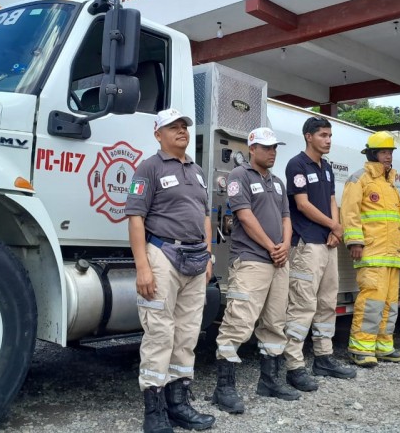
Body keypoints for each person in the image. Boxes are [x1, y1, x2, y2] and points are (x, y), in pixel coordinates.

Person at [126, 108, 216, 433]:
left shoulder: (198, 171)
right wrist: (142, 267)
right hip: (162, 253)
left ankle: (179, 405)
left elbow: (206, 215)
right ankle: (154, 412)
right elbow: (135, 217)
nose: (181, 130)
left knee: (188, 334)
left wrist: (208, 255)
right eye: (172, 127)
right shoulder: (148, 168)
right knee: (160, 333)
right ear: (158, 134)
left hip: (195, 257)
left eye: (184, 126)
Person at [210, 127, 300, 413]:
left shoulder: (278, 182)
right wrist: (271, 246)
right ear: (252, 149)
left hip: (279, 261)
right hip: (251, 259)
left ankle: (270, 381)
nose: (272, 152)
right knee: (239, 321)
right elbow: (244, 216)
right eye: (267, 147)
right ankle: (223, 389)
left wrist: (284, 245)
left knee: (275, 322)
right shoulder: (240, 176)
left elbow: (287, 217)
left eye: (275, 147)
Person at [282, 116, 356, 392]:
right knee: (303, 305)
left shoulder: (326, 168)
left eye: (329, 135)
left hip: (327, 243)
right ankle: (294, 365)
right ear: (308, 136)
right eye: (323, 135)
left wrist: (336, 231)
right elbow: (302, 205)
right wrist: (334, 225)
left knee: (327, 302)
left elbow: (332, 201)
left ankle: (323, 357)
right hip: (307, 244)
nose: (328, 140)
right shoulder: (297, 165)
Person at [341, 131, 400, 368]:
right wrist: (354, 242)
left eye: (390, 152)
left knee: (390, 304)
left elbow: (399, 220)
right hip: (372, 253)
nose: (388, 156)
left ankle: (384, 346)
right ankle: (360, 348)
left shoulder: (390, 184)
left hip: (393, 255)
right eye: (383, 152)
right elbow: (350, 213)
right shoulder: (359, 179)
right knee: (371, 302)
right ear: (372, 153)